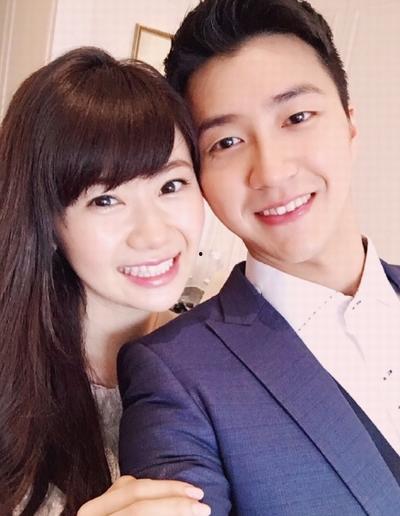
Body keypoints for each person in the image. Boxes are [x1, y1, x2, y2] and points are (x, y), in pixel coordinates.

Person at [118, 0, 400, 514]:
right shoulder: (174, 376)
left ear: (350, 126)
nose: (270, 171)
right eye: (226, 141)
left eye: (297, 117)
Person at [0, 46, 210, 515]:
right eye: (106, 200)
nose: (153, 234)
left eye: (171, 185)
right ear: (47, 221)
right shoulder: (13, 379)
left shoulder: (216, 362)